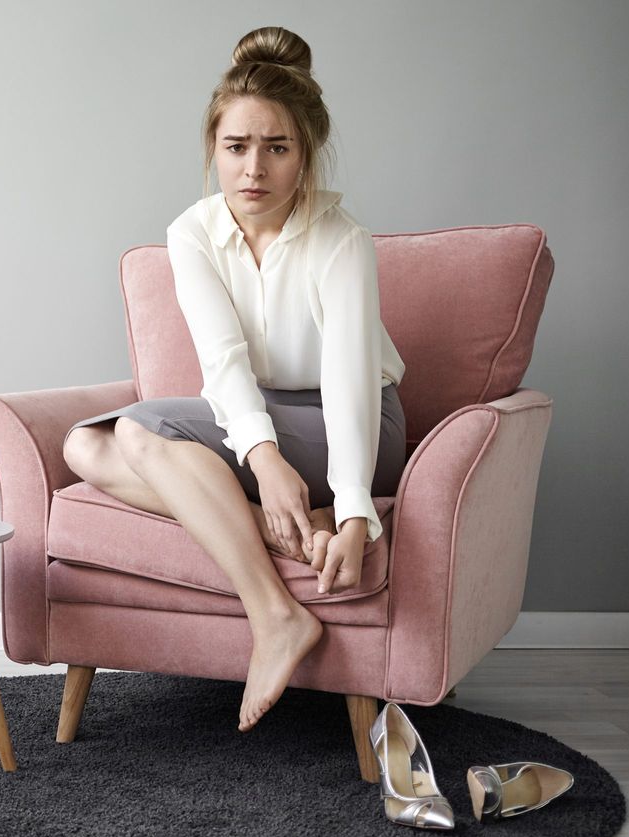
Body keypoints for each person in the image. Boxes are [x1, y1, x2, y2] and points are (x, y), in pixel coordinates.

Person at [61, 26, 408, 733]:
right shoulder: (191, 233)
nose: (254, 169)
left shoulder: (342, 241)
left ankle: (274, 615)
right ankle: (271, 531)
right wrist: (264, 459)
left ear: (304, 155)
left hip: (357, 421)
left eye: (277, 148)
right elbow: (223, 365)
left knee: (134, 432)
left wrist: (349, 510)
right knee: (84, 448)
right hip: (259, 422)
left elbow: (347, 382)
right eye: (237, 147)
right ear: (212, 149)